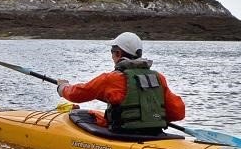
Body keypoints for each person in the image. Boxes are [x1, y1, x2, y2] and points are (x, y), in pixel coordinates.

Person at [56, 32, 185, 135]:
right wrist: (152, 118)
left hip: (123, 134)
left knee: (78, 114)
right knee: (96, 114)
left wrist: (62, 88)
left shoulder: (111, 79)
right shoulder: (158, 78)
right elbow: (178, 112)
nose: (112, 56)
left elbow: (77, 94)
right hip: (154, 133)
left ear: (118, 53)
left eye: (112, 52)